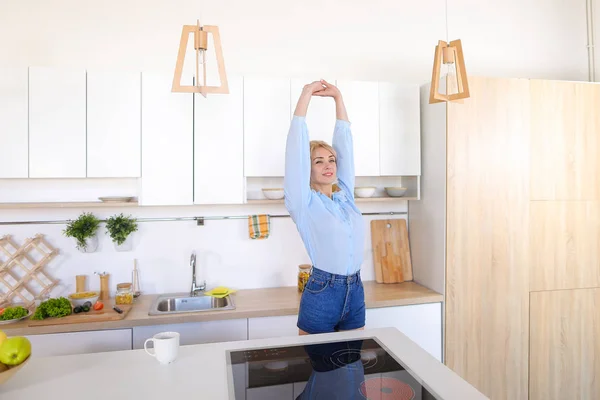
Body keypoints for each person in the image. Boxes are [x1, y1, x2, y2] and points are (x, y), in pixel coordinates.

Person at [284, 79, 366, 335]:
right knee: (321, 370)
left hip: (356, 291)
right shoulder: (303, 202)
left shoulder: (345, 197)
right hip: (323, 292)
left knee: (352, 369)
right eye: (318, 161)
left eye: (331, 159)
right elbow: (295, 149)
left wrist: (338, 99)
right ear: (307, 169)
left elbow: (345, 146)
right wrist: (306, 93)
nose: (328, 164)